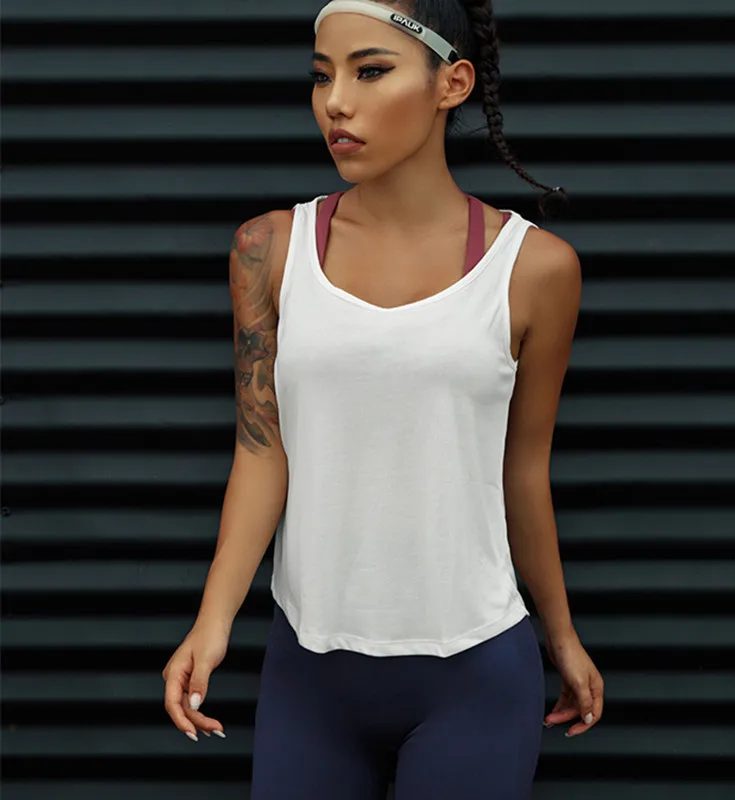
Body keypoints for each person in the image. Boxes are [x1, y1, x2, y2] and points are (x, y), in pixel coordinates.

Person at [162, 1, 604, 797]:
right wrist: (212, 620)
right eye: (321, 76)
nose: (336, 102)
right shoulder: (268, 250)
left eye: (370, 71)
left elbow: (522, 470)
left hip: (475, 671)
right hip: (309, 674)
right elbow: (262, 454)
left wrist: (562, 636)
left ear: (451, 83)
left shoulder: (535, 269)